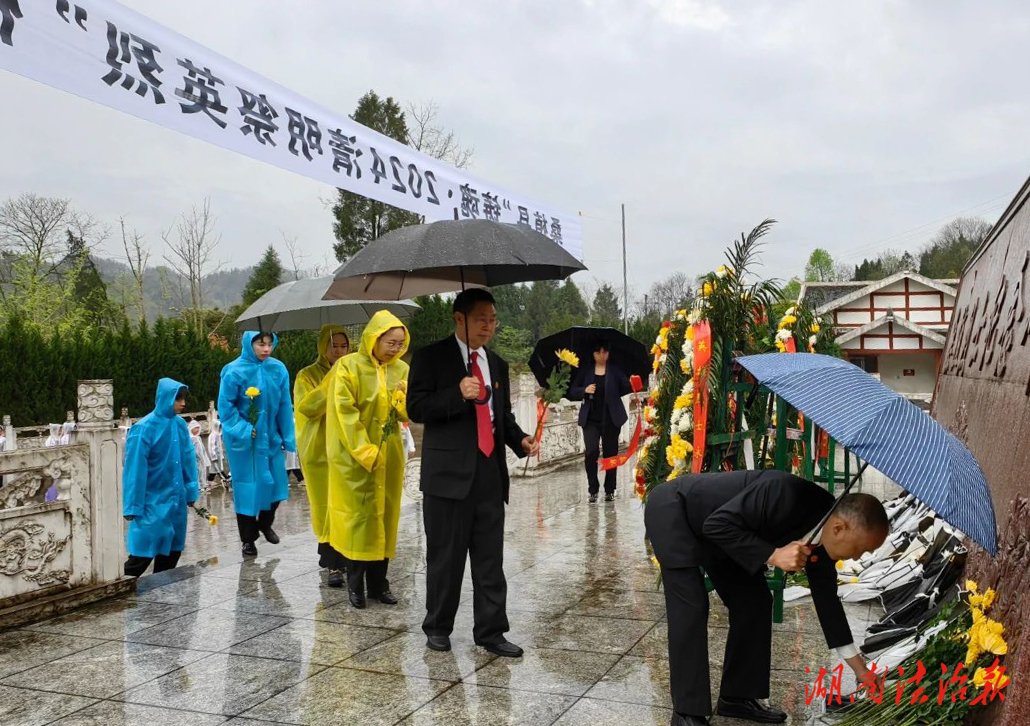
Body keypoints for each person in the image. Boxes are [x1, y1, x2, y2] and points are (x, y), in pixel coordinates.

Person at [644, 470, 890, 726]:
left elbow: (828, 605)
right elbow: (716, 524)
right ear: (839, 528)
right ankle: (686, 713)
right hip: (675, 511)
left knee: (755, 601)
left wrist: (861, 672)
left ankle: (737, 697)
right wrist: (773, 554)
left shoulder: (824, 537)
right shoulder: (783, 493)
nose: (858, 558)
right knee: (691, 606)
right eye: (860, 549)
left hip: (723, 534)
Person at [408, 288, 539, 657]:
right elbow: (416, 408)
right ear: (459, 318)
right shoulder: (430, 358)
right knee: (445, 558)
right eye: (482, 318)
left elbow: (503, 417)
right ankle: (437, 626)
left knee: (489, 559)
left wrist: (520, 440)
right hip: (447, 478)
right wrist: (456, 393)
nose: (489, 326)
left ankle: (491, 631)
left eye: (493, 319)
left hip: (488, 473)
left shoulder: (495, 363)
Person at [325, 312, 408, 604]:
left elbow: (407, 411)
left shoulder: (401, 370)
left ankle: (379, 583)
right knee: (358, 520)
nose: (395, 349)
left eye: (400, 344)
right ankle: (355, 583)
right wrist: (366, 452)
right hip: (354, 457)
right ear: (374, 337)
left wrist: (402, 405)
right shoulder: (348, 367)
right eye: (390, 342)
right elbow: (344, 415)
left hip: (390, 455)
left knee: (385, 518)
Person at [218, 331, 297, 557]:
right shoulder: (233, 371)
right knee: (247, 488)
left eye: (270, 344)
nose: (266, 349)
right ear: (249, 344)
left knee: (276, 483)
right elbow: (226, 407)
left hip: (270, 438)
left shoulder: (278, 369)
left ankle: (265, 522)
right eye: (261, 344)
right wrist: (244, 428)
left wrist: (287, 436)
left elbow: (284, 404)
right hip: (245, 443)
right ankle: (248, 539)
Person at [122, 379, 198, 578]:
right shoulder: (144, 428)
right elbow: (134, 470)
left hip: (176, 503)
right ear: (165, 398)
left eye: (183, 398)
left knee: (171, 555)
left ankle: (160, 602)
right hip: (152, 504)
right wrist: (132, 506)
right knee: (140, 557)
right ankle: (122, 598)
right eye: (178, 398)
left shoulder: (180, 425)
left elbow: (188, 459)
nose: (183, 403)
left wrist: (191, 491)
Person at [294, 324, 350, 569]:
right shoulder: (305, 375)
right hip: (318, 449)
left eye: (343, 346)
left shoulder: (353, 371)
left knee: (346, 502)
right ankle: (330, 560)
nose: (339, 351)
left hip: (346, 446)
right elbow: (308, 407)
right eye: (333, 346)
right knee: (324, 503)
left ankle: (348, 553)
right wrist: (332, 377)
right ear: (322, 348)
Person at [567, 340, 631, 503]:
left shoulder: (615, 370)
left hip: (611, 419)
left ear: (608, 353)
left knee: (611, 454)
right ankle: (593, 489)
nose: (602, 355)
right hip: (591, 420)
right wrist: (584, 390)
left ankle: (610, 489)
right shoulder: (586, 371)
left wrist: (631, 382)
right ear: (593, 354)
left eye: (604, 352)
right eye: (598, 352)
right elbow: (573, 391)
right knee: (591, 453)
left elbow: (626, 386)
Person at [187, 420, 212, 488]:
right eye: (195, 428)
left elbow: (203, 450)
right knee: (197, 473)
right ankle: (198, 487)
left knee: (202, 472)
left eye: (198, 427)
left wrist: (205, 459)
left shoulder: (198, 437)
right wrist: (200, 457)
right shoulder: (192, 438)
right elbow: (195, 450)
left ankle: (202, 485)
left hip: (201, 459)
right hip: (196, 459)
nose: (197, 430)